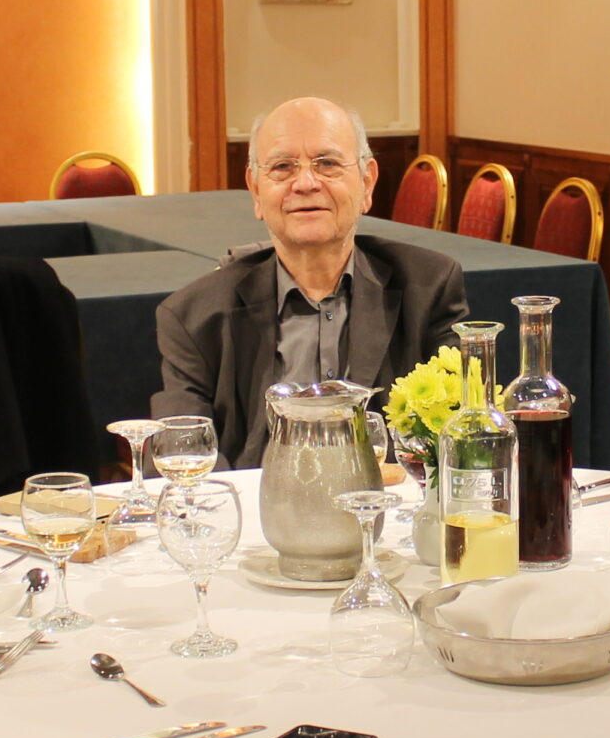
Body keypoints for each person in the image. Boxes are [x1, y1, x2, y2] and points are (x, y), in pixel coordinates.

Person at [154, 96, 466, 467]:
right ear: (256, 191)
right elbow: (181, 451)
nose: (305, 183)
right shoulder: (193, 317)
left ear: (367, 183)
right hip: (255, 500)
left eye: (327, 164)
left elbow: (464, 435)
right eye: (282, 167)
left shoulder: (428, 288)